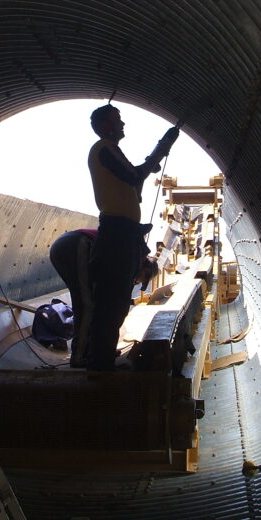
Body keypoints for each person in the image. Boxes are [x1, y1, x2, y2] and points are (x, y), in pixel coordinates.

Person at [84, 104, 178, 371]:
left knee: (117, 297)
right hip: (116, 234)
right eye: (118, 120)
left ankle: (101, 357)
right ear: (105, 126)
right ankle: (98, 363)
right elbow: (133, 174)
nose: (123, 125)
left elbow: (132, 180)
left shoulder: (110, 151)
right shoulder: (104, 148)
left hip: (122, 233)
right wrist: (158, 152)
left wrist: (153, 160)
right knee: (111, 297)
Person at [50, 228, 159, 368]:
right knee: (86, 305)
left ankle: (93, 351)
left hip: (66, 246)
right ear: (146, 269)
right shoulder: (134, 259)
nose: (137, 281)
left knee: (91, 303)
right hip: (77, 244)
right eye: (141, 278)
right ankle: (79, 356)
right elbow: (120, 305)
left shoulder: (129, 259)